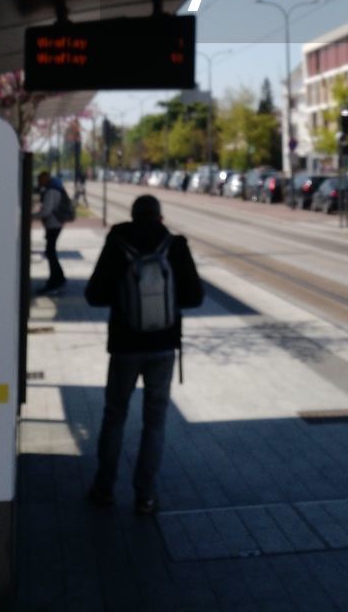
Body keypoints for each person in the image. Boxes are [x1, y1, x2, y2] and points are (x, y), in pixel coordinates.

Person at [85, 194, 203, 515]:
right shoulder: (174, 245)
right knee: (155, 422)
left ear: (133, 215)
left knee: (114, 416)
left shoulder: (117, 241)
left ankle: (104, 488)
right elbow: (195, 297)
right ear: (159, 217)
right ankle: (146, 496)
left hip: (124, 346)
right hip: (163, 347)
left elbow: (94, 294)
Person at [37, 170, 67, 294]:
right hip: (56, 224)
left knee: (51, 253)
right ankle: (57, 278)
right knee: (51, 252)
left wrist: (31, 216)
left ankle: (56, 279)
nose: (38, 182)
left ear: (45, 179)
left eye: (40, 179)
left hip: (53, 225)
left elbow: (46, 211)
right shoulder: (55, 188)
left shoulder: (50, 191)